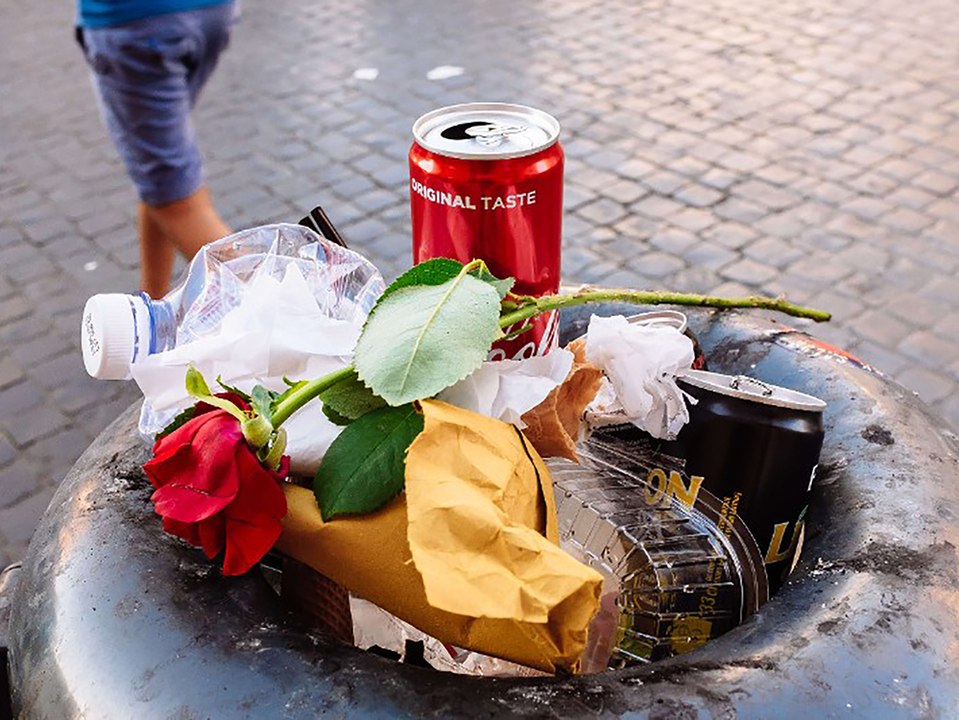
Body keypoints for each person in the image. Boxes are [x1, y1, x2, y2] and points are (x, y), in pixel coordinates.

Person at [75, 0, 236, 298]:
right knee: (158, 178)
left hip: (137, 23)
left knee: (177, 203)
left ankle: (288, 313)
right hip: (211, 12)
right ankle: (151, 302)